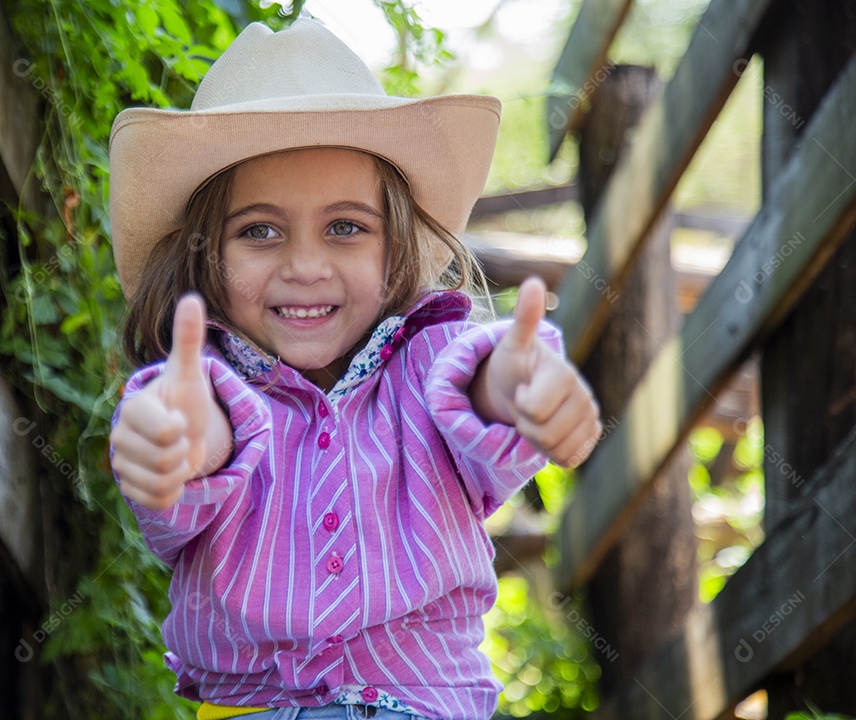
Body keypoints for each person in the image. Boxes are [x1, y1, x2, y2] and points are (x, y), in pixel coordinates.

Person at [108, 16, 601, 720]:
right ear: (202, 257)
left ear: (396, 247)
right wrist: (177, 442)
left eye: (345, 227)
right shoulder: (204, 384)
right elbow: (210, 433)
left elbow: (475, 386)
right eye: (259, 231)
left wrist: (519, 388)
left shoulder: (431, 357)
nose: (305, 266)